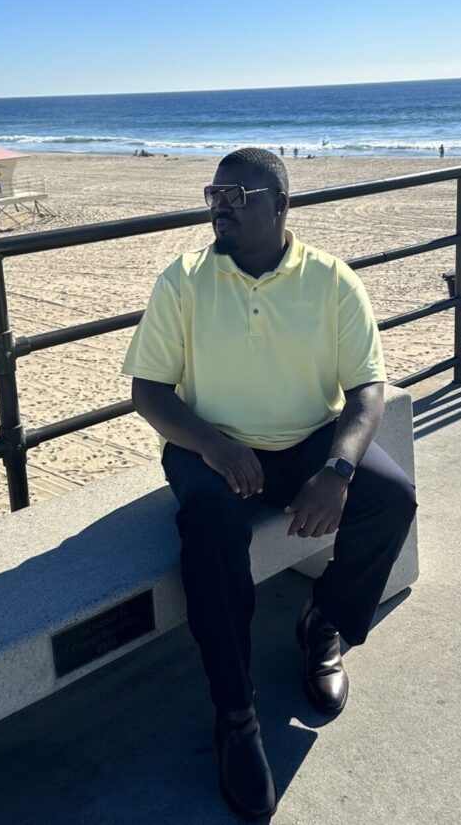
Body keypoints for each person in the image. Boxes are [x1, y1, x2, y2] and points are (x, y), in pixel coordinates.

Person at [122, 148, 416, 820]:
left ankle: (325, 623)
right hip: (210, 444)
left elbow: (368, 388)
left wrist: (338, 470)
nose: (219, 204)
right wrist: (212, 444)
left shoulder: (331, 280)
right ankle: (237, 716)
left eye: (237, 193)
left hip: (310, 436)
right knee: (209, 527)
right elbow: (149, 390)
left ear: (282, 205)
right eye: (212, 193)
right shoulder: (185, 280)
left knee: (390, 497)